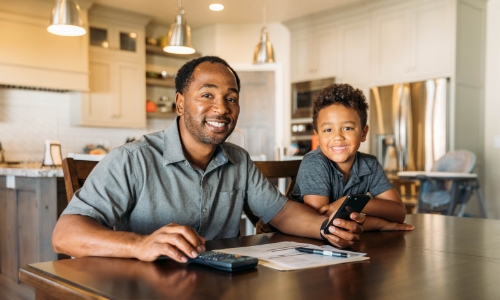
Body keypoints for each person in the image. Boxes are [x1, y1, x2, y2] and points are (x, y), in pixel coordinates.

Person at [52, 56, 367, 264]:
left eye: (231, 98)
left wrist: (326, 229)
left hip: (217, 287)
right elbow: (64, 235)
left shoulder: (238, 161)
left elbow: (281, 212)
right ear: (180, 103)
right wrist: (139, 245)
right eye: (207, 94)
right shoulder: (131, 160)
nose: (222, 108)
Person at [291, 83, 414, 231]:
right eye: (328, 129)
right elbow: (321, 223)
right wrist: (381, 224)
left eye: (347, 128)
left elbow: (399, 213)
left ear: (363, 132)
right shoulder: (314, 163)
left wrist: (348, 203)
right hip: (298, 242)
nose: (337, 137)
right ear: (317, 136)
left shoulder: (369, 165)